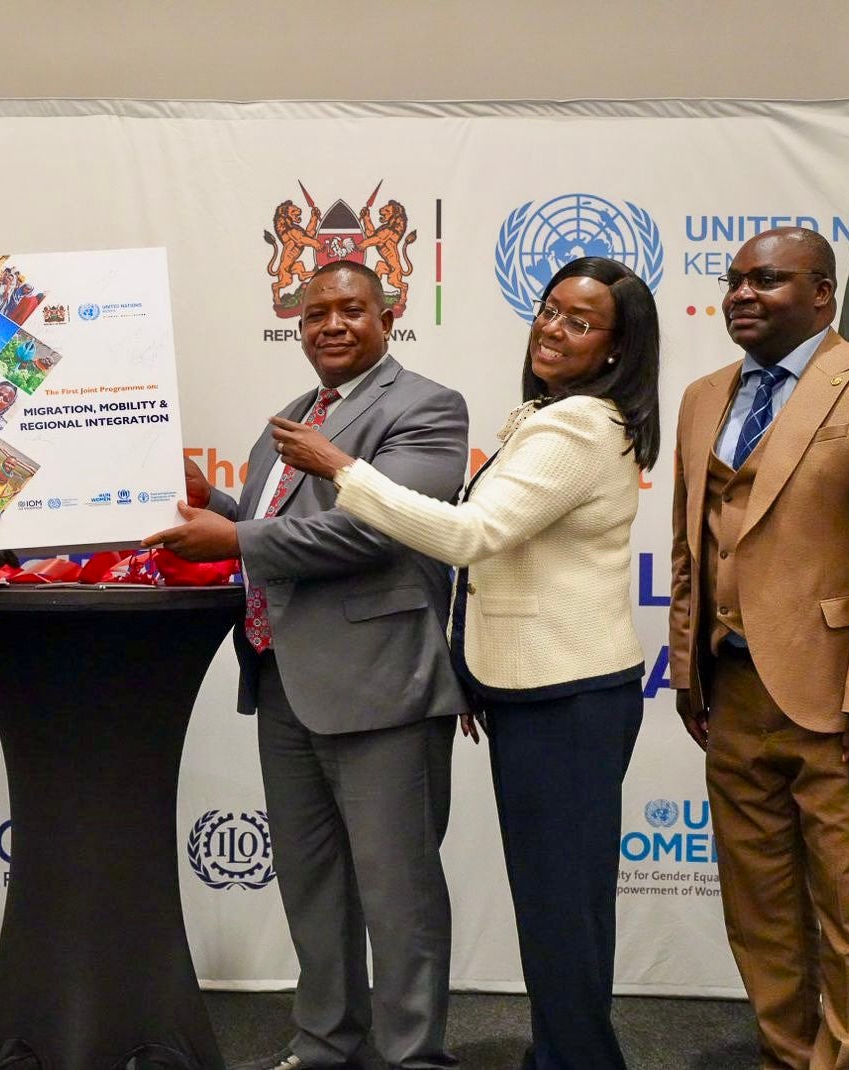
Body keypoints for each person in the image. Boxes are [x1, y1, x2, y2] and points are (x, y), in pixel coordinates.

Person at [274, 256, 661, 1070]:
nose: (554, 329)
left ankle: (579, 1061)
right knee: (556, 904)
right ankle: (561, 1054)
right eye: (551, 311)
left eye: (581, 322)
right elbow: (497, 566)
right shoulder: (546, 413)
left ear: (617, 350)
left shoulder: (578, 424)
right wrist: (477, 667)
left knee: (564, 907)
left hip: (569, 695)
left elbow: (466, 539)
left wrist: (342, 468)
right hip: (536, 688)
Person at [146, 259, 469, 1070]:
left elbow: (380, 529)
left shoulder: (426, 408)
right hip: (285, 681)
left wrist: (235, 538)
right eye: (315, 312)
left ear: (387, 316)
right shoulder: (291, 417)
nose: (330, 324)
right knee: (311, 883)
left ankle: (411, 1058)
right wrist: (212, 503)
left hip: (382, 683)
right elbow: (268, 520)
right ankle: (327, 1043)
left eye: (350, 309)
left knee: (399, 898)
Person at [669, 227, 849, 1069]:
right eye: (735, 279)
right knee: (761, 912)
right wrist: (685, 671)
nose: (743, 294)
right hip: (731, 695)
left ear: (822, 294)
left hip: (840, 699)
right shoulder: (705, 396)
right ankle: (786, 1059)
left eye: (768, 280)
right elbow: (691, 545)